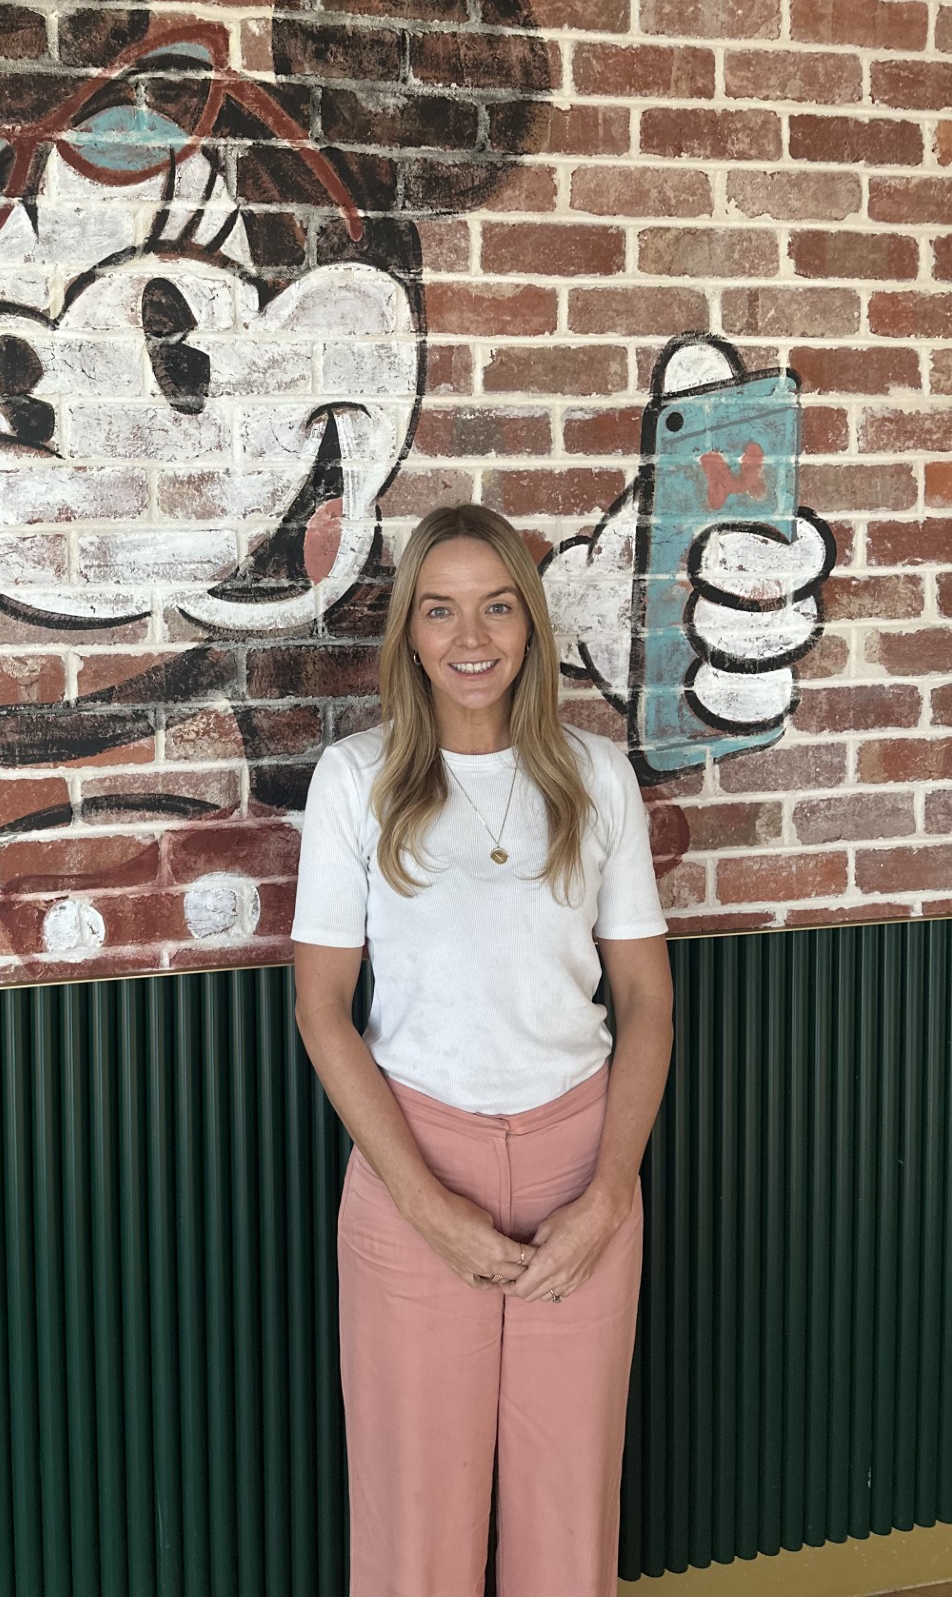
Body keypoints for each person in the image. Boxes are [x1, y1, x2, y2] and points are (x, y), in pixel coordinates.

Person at [291, 502, 674, 1597]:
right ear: (409, 633)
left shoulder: (596, 776)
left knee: (570, 1515)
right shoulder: (355, 779)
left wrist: (609, 1194)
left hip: (581, 1167)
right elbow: (322, 1009)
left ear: (531, 625)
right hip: (414, 1164)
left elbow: (646, 999)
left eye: (499, 607)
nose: (472, 637)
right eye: (441, 610)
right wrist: (426, 1206)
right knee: (416, 1526)